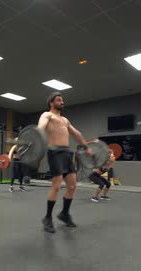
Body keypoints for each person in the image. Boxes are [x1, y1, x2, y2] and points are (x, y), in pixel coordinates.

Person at [37, 92, 91, 233]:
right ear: (51, 102)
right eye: (59, 100)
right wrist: (36, 133)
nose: (62, 102)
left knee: (72, 186)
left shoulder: (65, 120)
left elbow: (76, 134)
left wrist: (86, 147)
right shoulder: (47, 115)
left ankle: (64, 214)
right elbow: (41, 126)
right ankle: (47, 218)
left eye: (62, 100)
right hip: (55, 152)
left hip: (67, 153)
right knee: (56, 186)